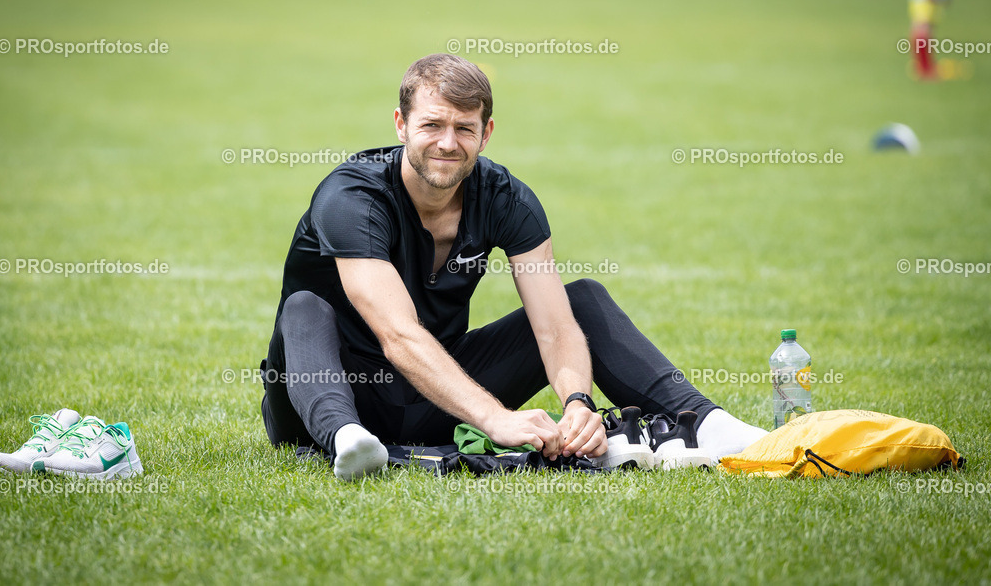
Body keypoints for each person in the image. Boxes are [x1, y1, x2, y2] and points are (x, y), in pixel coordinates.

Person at [259, 53, 767, 481]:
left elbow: (555, 326)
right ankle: (348, 441)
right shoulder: (350, 196)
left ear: (486, 133)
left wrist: (578, 404)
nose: (447, 143)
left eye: (464, 128)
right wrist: (494, 418)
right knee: (304, 308)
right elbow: (398, 335)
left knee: (582, 298)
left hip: (435, 396)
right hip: (326, 397)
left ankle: (710, 424)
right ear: (400, 124)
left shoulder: (506, 198)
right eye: (432, 125)